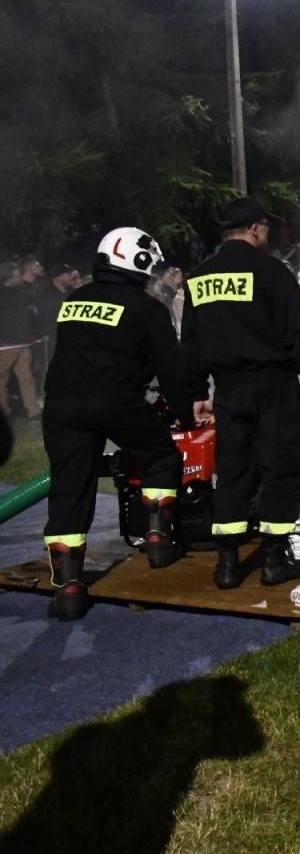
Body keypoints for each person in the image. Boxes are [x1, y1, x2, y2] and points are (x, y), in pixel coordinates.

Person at [182, 197, 300, 590]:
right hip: (274, 387)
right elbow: (296, 333)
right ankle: (273, 561)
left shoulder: (200, 277)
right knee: (280, 467)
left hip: (228, 391)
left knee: (233, 471)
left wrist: (199, 389)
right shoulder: (271, 272)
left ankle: (228, 565)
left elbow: (192, 341)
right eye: (266, 227)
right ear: (254, 228)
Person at [40, 228, 191, 620]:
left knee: (70, 488)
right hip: (115, 400)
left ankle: (68, 587)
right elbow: (170, 370)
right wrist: (187, 414)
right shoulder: (147, 307)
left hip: (61, 405)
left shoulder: (74, 299)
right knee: (161, 458)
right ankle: (158, 541)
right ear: (139, 263)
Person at [0, 260, 42, 421]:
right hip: (21, 343)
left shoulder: (17, 293)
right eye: (17, 275)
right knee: (26, 378)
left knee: (3, 381)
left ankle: (6, 412)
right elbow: (31, 315)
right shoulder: (21, 293)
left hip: (7, 345)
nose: (20, 278)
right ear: (9, 277)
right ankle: (33, 410)